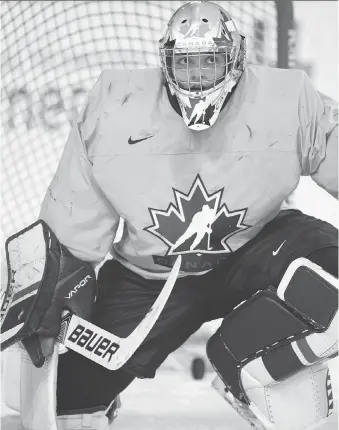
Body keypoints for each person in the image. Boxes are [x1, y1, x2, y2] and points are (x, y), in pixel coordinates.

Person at [23, 1, 339, 429]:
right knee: (67, 405)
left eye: (210, 60)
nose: (197, 75)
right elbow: (73, 218)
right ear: (165, 60)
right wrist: (55, 287)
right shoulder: (116, 106)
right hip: (150, 275)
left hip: (256, 247)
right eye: (185, 62)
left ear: (236, 58)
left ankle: (244, 364)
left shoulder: (287, 99)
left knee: (331, 272)